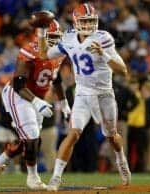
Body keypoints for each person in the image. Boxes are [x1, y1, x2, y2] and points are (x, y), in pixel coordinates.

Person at [39, 3, 131, 191]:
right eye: (85, 21)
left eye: (91, 21)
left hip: (104, 94)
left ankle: (121, 160)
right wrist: (41, 34)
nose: (89, 25)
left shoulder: (103, 38)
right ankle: (56, 178)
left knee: (111, 136)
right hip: (81, 93)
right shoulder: (69, 38)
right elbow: (45, 55)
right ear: (75, 21)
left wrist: (103, 54)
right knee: (74, 133)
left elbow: (123, 71)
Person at [0, 19, 71, 189]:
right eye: (51, 37)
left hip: (36, 97)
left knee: (32, 141)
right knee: (32, 136)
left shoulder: (59, 53)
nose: (55, 42)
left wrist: (63, 102)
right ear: (41, 37)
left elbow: (56, 78)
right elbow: (18, 85)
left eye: (57, 37)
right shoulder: (29, 51)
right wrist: (37, 102)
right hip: (18, 95)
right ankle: (33, 178)